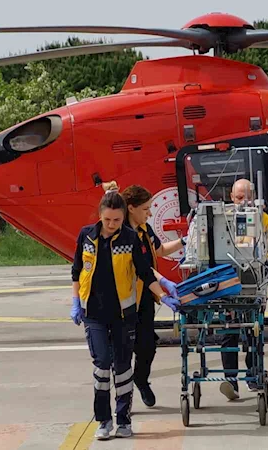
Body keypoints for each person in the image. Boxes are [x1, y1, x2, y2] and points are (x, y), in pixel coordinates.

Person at [70, 181, 179, 440]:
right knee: (101, 366)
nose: (112, 224)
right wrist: (76, 302)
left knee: (122, 367)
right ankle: (104, 420)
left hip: (122, 315)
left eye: (117, 220)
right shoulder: (86, 236)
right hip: (94, 313)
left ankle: (124, 419)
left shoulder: (130, 238)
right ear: (100, 216)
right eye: (107, 219)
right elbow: (76, 270)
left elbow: (144, 270)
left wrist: (162, 293)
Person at [120, 184, 186, 408]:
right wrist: (164, 283)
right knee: (123, 350)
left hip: (146, 297)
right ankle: (124, 397)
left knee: (147, 345)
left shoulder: (144, 229)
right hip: (125, 300)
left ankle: (141, 379)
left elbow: (159, 251)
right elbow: (143, 268)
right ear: (131, 208)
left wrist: (184, 241)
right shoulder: (122, 236)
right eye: (146, 209)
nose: (149, 213)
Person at [219, 178, 268, 401]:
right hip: (228, 288)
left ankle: (254, 376)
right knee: (228, 334)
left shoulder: (265, 221)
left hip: (257, 287)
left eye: (247, 197)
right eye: (238, 197)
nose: (243, 202)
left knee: (254, 334)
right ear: (231, 197)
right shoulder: (222, 220)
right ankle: (230, 381)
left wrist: (264, 277)